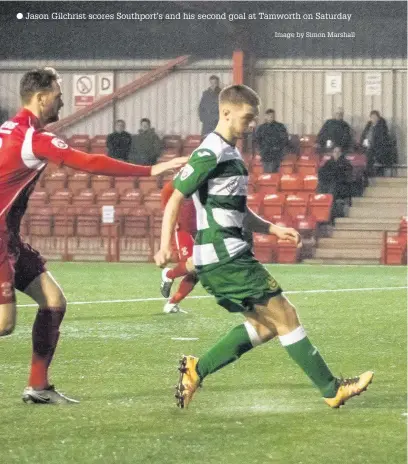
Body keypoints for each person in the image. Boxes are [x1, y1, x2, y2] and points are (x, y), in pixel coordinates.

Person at [155, 84, 373, 410]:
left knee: (264, 326)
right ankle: (331, 389)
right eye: (247, 117)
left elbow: (237, 211)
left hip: (225, 254)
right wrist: (163, 247)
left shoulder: (229, 152)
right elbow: (175, 197)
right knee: (286, 314)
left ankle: (196, 370)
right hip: (224, 255)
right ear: (226, 113)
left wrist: (272, 228)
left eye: (254, 118)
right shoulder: (210, 151)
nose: (252, 124)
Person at [0, 67, 187, 404]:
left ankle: (38, 386)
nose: (62, 100)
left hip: (8, 237)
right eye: (58, 94)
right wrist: (150, 169)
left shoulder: (7, 130)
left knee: (54, 302)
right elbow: (89, 162)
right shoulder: (33, 138)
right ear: (41, 98)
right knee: (3, 324)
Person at [160, 181, 198, 314]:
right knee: (193, 265)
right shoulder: (179, 181)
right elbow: (166, 193)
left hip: (202, 229)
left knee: (200, 270)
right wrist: (172, 219)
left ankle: (172, 303)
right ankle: (168, 274)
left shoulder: (207, 181)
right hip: (183, 228)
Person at [318, 146, 353, 222]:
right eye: (335, 152)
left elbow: (347, 176)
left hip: (342, 186)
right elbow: (322, 173)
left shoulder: (345, 163)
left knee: (333, 189)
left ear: (341, 153)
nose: (336, 154)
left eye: (338, 152)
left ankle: (331, 215)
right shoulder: (328, 163)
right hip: (330, 184)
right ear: (332, 153)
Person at [360, 110, 395, 176]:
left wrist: (371, 146)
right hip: (368, 147)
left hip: (378, 149)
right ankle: (368, 175)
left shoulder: (382, 126)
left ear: (378, 118)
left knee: (370, 157)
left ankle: (372, 175)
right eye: (372, 117)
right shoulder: (368, 126)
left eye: (375, 117)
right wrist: (364, 143)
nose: (373, 119)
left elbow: (381, 140)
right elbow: (364, 136)